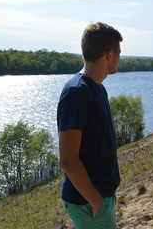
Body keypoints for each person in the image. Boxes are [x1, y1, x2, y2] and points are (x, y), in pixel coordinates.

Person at [57, 22, 123, 229]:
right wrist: (96, 201)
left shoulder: (97, 89)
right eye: (119, 53)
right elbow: (67, 160)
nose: (120, 58)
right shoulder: (77, 93)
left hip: (97, 199)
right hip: (87, 202)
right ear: (110, 54)